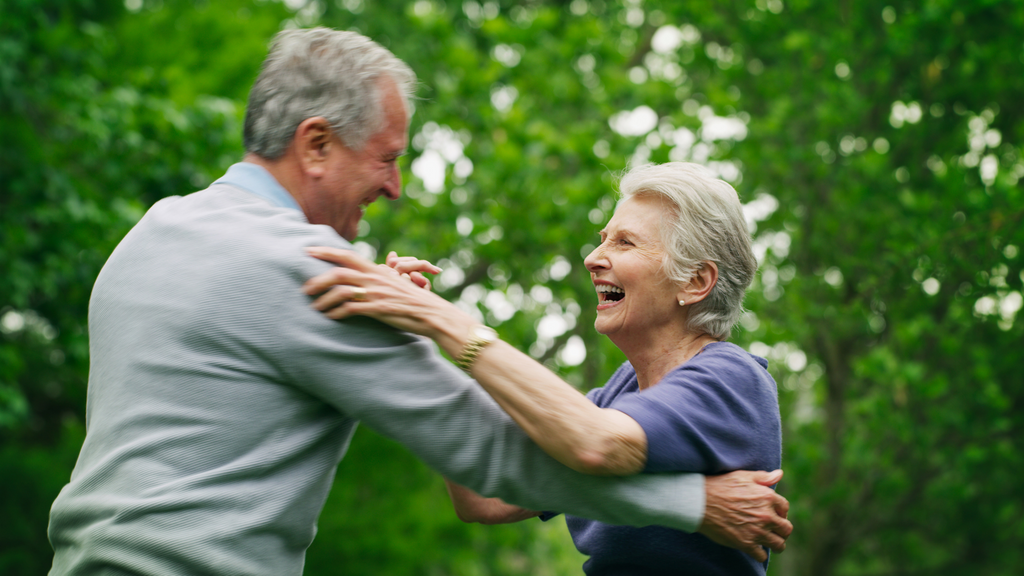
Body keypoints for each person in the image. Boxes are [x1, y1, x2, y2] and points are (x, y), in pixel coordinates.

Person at [46, 28, 791, 576]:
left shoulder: (154, 229)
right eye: (389, 159)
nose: (396, 187)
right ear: (315, 146)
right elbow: (489, 475)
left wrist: (437, 326)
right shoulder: (315, 271)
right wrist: (696, 505)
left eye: (625, 243)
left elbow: (581, 445)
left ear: (697, 281)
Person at [303, 162, 782, 575]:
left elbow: (597, 443)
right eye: (602, 240)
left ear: (696, 281)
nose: (594, 258)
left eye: (625, 243)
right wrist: (416, 334)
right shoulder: (619, 394)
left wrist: (444, 319)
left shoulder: (730, 379)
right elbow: (481, 496)